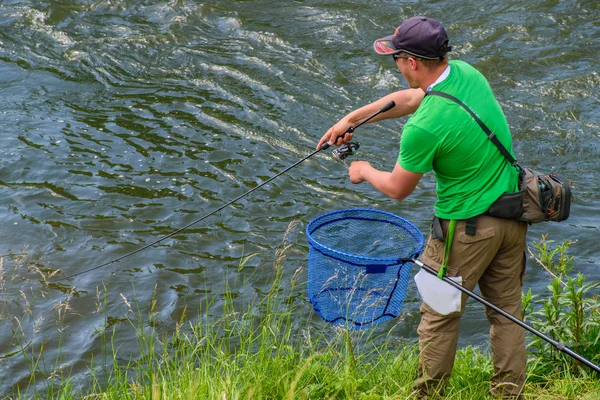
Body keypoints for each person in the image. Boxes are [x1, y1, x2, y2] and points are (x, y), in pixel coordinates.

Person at [317, 16, 528, 399]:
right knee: (507, 314)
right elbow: (416, 97)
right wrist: (351, 119)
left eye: (396, 58)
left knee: (438, 318)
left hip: (465, 232)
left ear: (412, 62)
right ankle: (509, 394)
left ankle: (426, 396)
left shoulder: (423, 128)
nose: (395, 65)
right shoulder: (466, 74)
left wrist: (363, 170)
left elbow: (399, 188)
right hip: (513, 218)